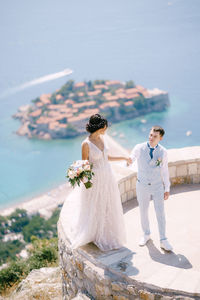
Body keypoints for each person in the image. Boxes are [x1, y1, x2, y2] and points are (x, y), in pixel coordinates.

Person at [59, 114, 129, 251]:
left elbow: (106, 157)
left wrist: (123, 157)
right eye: (105, 126)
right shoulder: (86, 144)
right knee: (96, 205)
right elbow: (85, 165)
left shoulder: (102, 139)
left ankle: (108, 232)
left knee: (108, 204)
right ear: (102, 127)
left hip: (108, 177)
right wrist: (86, 182)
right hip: (96, 179)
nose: (106, 129)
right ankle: (96, 234)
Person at [128, 126, 173, 251]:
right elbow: (132, 158)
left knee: (160, 213)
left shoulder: (163, 152)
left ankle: (163, 239)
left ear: (161, 138)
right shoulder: (139, 147)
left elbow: (164, 171)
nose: (151, 138)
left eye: (155, 136)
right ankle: (146, 234)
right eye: (151, 135)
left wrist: (167, 188)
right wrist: (129, 160)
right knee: (143, 211)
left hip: (157, 186)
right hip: (141, 185)